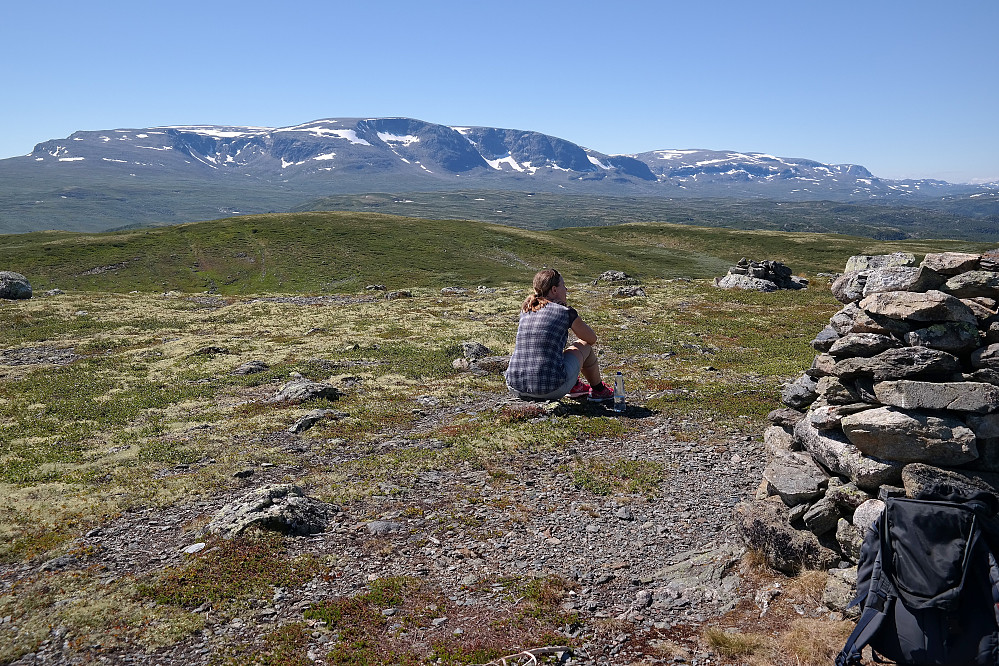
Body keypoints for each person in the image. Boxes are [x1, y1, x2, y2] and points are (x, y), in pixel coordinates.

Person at [506, 268, 614, 401]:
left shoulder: (527, 308)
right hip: (550, 389)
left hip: (514, 386)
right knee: (583, 345)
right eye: (563, 285)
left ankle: (574, 386)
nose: (566, 290)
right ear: (554, 290)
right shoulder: (565, 312)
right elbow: (591, 338)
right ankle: (599, 390)